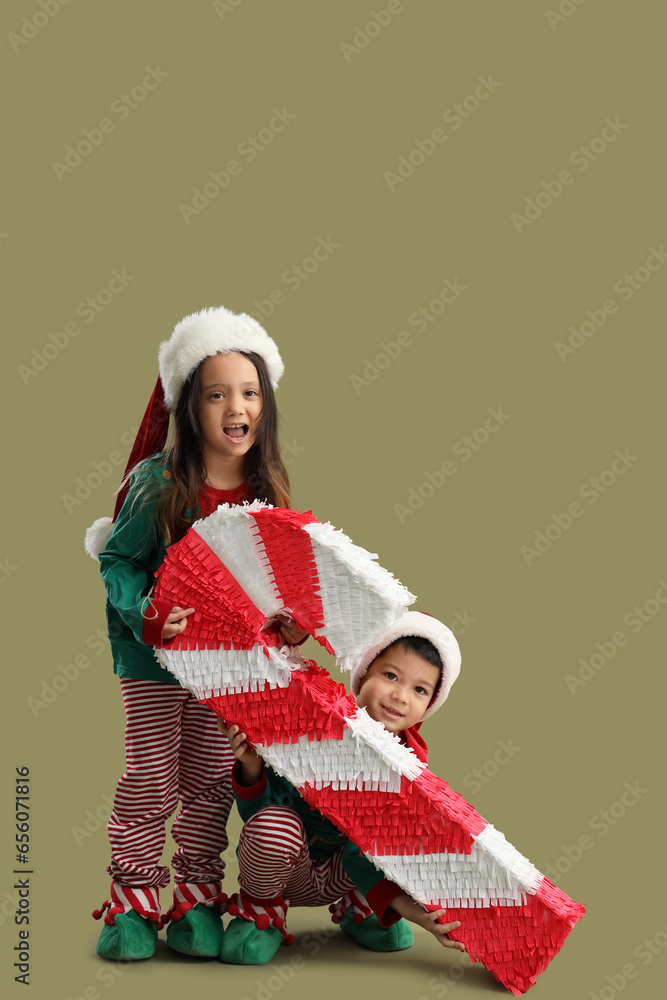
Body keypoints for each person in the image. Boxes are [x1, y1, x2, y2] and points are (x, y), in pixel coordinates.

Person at [86, 306, 308, 962]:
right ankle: (131, 904)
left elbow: (275, 589)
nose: (235, 407)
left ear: (264, 406)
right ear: (189, 406)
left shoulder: (266, 495)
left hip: (226, 666)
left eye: (249, 393)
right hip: (154, 660)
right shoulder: (157, 483)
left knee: (212, 780)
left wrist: (288, 624)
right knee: (153, 778)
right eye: (217, 394)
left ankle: (197, 900)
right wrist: (148, 613)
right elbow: (117, 561)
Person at [218, 611, 466, 965]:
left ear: (429, 705)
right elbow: (258, 815)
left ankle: (362, 911)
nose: (400, 695)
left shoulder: (408, 765)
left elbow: (365, 851)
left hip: (344, 874)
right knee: (275, 826)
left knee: (396, 837)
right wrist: (251, 764)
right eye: (391, 675)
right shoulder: (316, 723)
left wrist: (409, 906)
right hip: (287, 866)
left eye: (419, 689)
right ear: (364, 673)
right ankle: (261, 913)